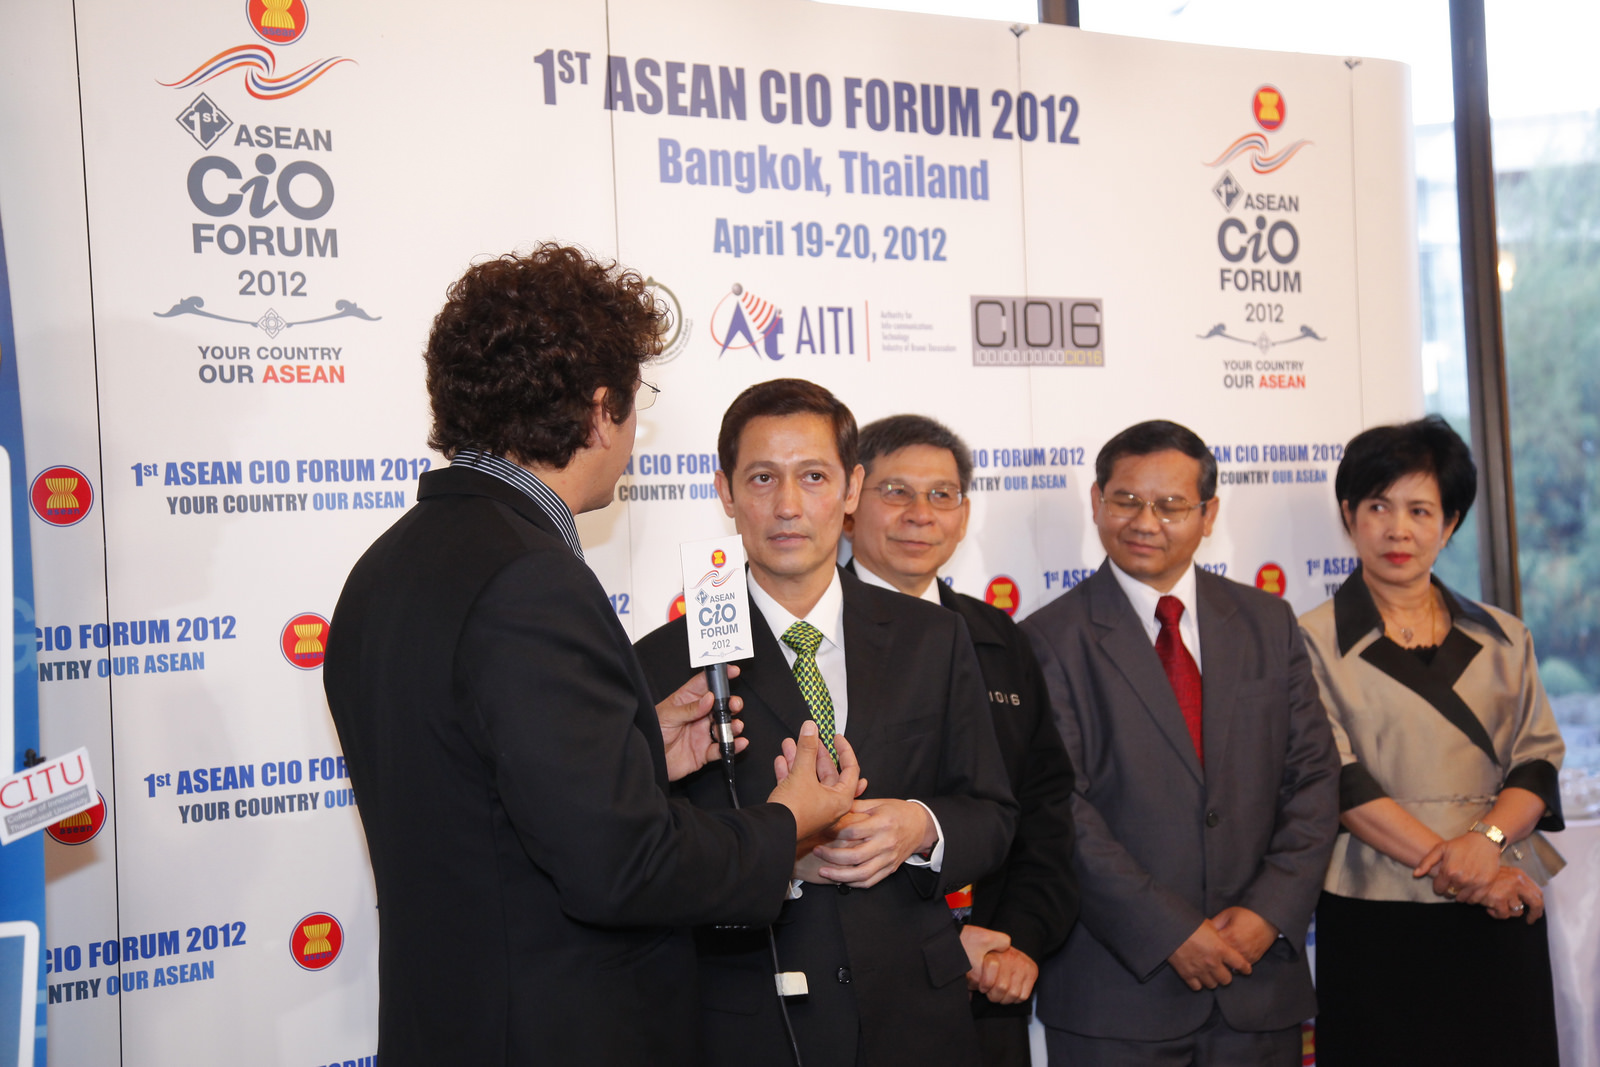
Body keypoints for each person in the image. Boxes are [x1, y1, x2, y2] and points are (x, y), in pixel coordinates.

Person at [322, 247, 862, 1067]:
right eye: (637, 401)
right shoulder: (530, 579)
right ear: (603, 410)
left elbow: (485, 790)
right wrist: (787, 820)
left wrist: (634, 753)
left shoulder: (387, 564)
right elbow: (621, 865)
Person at [633, 379, 1017, 1067]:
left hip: (917, 1019)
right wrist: (774, 852)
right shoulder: (665, 662)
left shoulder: (933, 636)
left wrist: (920, 827)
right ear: (725, 492)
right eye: (762, 478)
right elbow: (647, 853)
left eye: (813, 476)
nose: (788, 505)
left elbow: (992, 812)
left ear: (851, 489)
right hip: (749, 1022)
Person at [1020, 419, 1340, 1066]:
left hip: (1256, 985)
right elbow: (1061, 809)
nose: (1146, 522)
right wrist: (1169, 931)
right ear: (1096, 502)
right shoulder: (1046, 638)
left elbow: (1313, 778)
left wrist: (1266, 912)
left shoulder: (1267, 621)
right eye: (1126, 500)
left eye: (1170, 505)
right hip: (1117, 996)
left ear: (1208, 513)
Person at [1297, 415, 1566, 1066]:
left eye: (1420, 510)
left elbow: (1537, 759)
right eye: (1378, 506)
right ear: (1348, 515)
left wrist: (1485, 843)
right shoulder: (1307, 639)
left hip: (1500, 899)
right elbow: (1338, 777)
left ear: (1449, 524)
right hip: (1378, 909)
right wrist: (1465, 869)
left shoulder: (1505, 636)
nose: (1398, 529)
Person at [844, 413, 1078, 1067]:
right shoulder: (814, 637)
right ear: (850, 504)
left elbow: (1044, 809)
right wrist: (940, 947)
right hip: (863, 994)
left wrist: (1017, 939)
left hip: (991, 984)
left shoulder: (999, 639)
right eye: (896, 491)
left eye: (941, 494)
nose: (921, 514)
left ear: (964, 512)